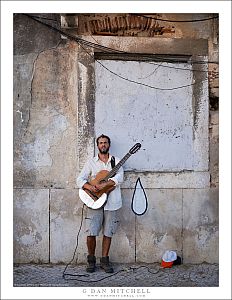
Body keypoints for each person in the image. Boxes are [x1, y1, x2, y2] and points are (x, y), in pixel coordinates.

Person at [76, 134, 124, 273]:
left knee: (108, 233)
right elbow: (80, 179)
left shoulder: (117, 161)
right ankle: (91, 261)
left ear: (109, 145)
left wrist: (106, 184)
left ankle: (105, 261)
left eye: (105, 142)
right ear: (97, 145)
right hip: (94, 201)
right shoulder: (91, 162)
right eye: (101, 142)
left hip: (112, 202)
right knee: (91, 232)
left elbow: (120, 177)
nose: (103, 145)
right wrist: (90, 187)